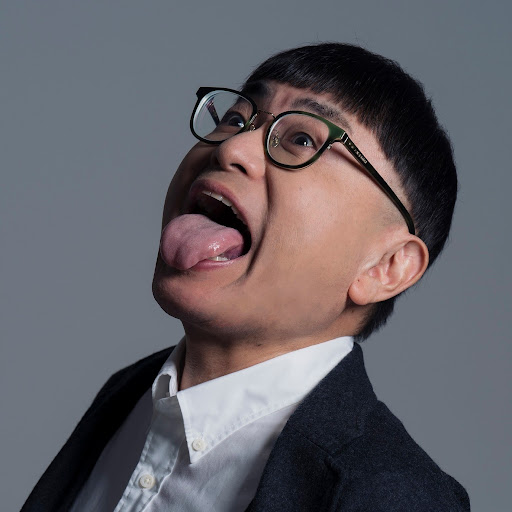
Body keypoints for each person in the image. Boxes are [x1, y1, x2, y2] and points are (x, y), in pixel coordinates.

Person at [22, 43, 470, 511]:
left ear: (385, 267)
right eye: (237, 119)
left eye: (302, 139)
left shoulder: (396, 496)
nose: (231, 148)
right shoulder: (128, 395)